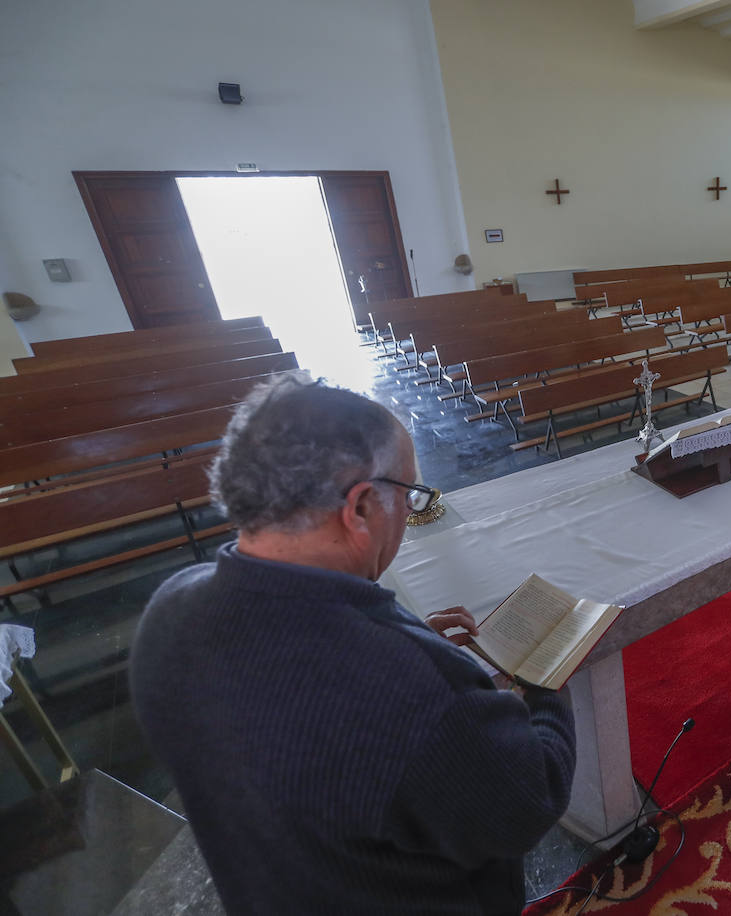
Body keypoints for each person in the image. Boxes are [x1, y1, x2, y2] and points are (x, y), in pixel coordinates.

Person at [130, 373, 576, 915]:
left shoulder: (170, 608)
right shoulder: (413, 688)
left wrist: (405, 645)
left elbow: (290, 717)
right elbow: (525, 805)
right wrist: (546, 682)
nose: (411, 513)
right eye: (409, 494)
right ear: (361, 507)